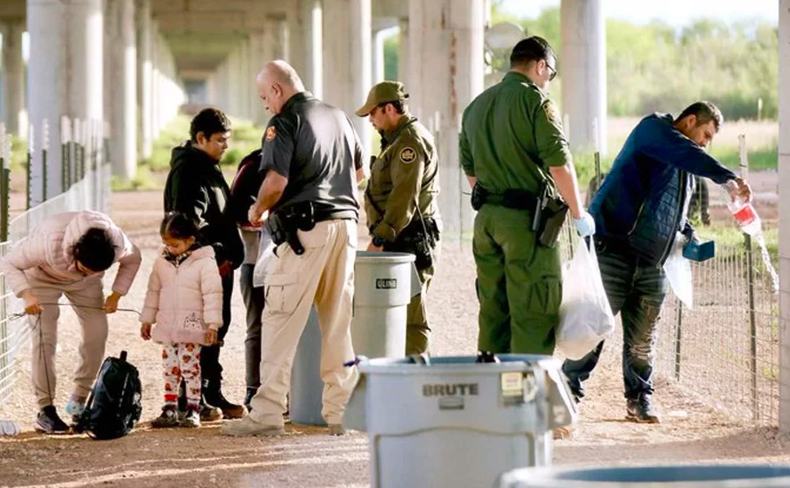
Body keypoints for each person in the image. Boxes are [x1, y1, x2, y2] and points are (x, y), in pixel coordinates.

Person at [561, 101, 753, 424]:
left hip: (654, 264)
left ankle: (640, 399)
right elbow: (687, 153)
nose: (705, 143)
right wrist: (729, 179)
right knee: (591, 328)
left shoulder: (687, 168)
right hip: (614, 252)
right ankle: (566, 395)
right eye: (705, 134)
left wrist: (690, 237)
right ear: (690, 121)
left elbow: (678, 214)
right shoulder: (652, 130)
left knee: (643, 341)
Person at [222, 60, 364, 437]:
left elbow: (275, 181)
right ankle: (341, 413)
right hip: (346, 228)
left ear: (277, 90)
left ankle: (266, 413)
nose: (265, 106)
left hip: (305, 232)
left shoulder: (284, 122)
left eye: (264, 97)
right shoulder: (339, 117)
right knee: (337, 323)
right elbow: (359, 174)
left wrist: (257, 209)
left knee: (281, 321)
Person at [459, 36, 594, 355]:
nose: (550, 82)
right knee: (534, 310)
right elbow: (559, 165)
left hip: (487, 221)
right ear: (540, 66)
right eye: (551, 74)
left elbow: (470, 170)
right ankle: (524, 397)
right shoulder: (537, 102)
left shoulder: (476, 106)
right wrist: (578, 213)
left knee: (493, 309)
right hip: (527, 224)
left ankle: (493, 392)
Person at [0, 210, 142, 433]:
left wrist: (116, 294)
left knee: (97, 332)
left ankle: (79, 401)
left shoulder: (118, 243)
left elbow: (134, 259)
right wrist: (26, 294)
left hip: (86, 286)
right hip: (42, 278)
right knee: (44, 339)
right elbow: (8, 262)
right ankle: (45, 410)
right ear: (75, 254)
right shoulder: (47, 241)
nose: (87, 272)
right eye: (85, 268)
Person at [163, 108, 245, 420]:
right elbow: (187, 225)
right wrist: (217, 254)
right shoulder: (191, 171)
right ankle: (191, 400)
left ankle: (209, 394)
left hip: (215, 264)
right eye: (220, 140)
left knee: (213, 328)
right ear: (201, 138)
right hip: (205, 266)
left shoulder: (205, 166)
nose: (226, 145)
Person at [355, 81, 441, 355]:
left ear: (389, 108)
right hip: (401, 238)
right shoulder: (397, 139)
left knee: (411, 315)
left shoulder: (408, 143)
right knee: (396, 312)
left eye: (373, 113)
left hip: (408, 239)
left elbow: (404, 197)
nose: (370, 120)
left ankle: (416, 381)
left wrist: (380, 238)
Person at [140, 212, 223, 429]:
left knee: (190, 367)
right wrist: (147, 319)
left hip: (191, 326)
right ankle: (169, 407)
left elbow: (213, 294)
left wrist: (213, 324)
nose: (169, 248)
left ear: (190, 240)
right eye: (166, 244)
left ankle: (193, 408)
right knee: (169, 367)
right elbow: (153, 291)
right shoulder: (161, 263)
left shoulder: (205, 263)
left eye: (174, 244)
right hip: (168, 325)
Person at [229, 148, 269, 410]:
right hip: (254, 261)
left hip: (289, 262)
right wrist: (259, 215)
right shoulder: (254, 164)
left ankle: (288, 390)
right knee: (257, 327)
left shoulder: (301, 164)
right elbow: (235, 209)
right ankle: (254, 390)